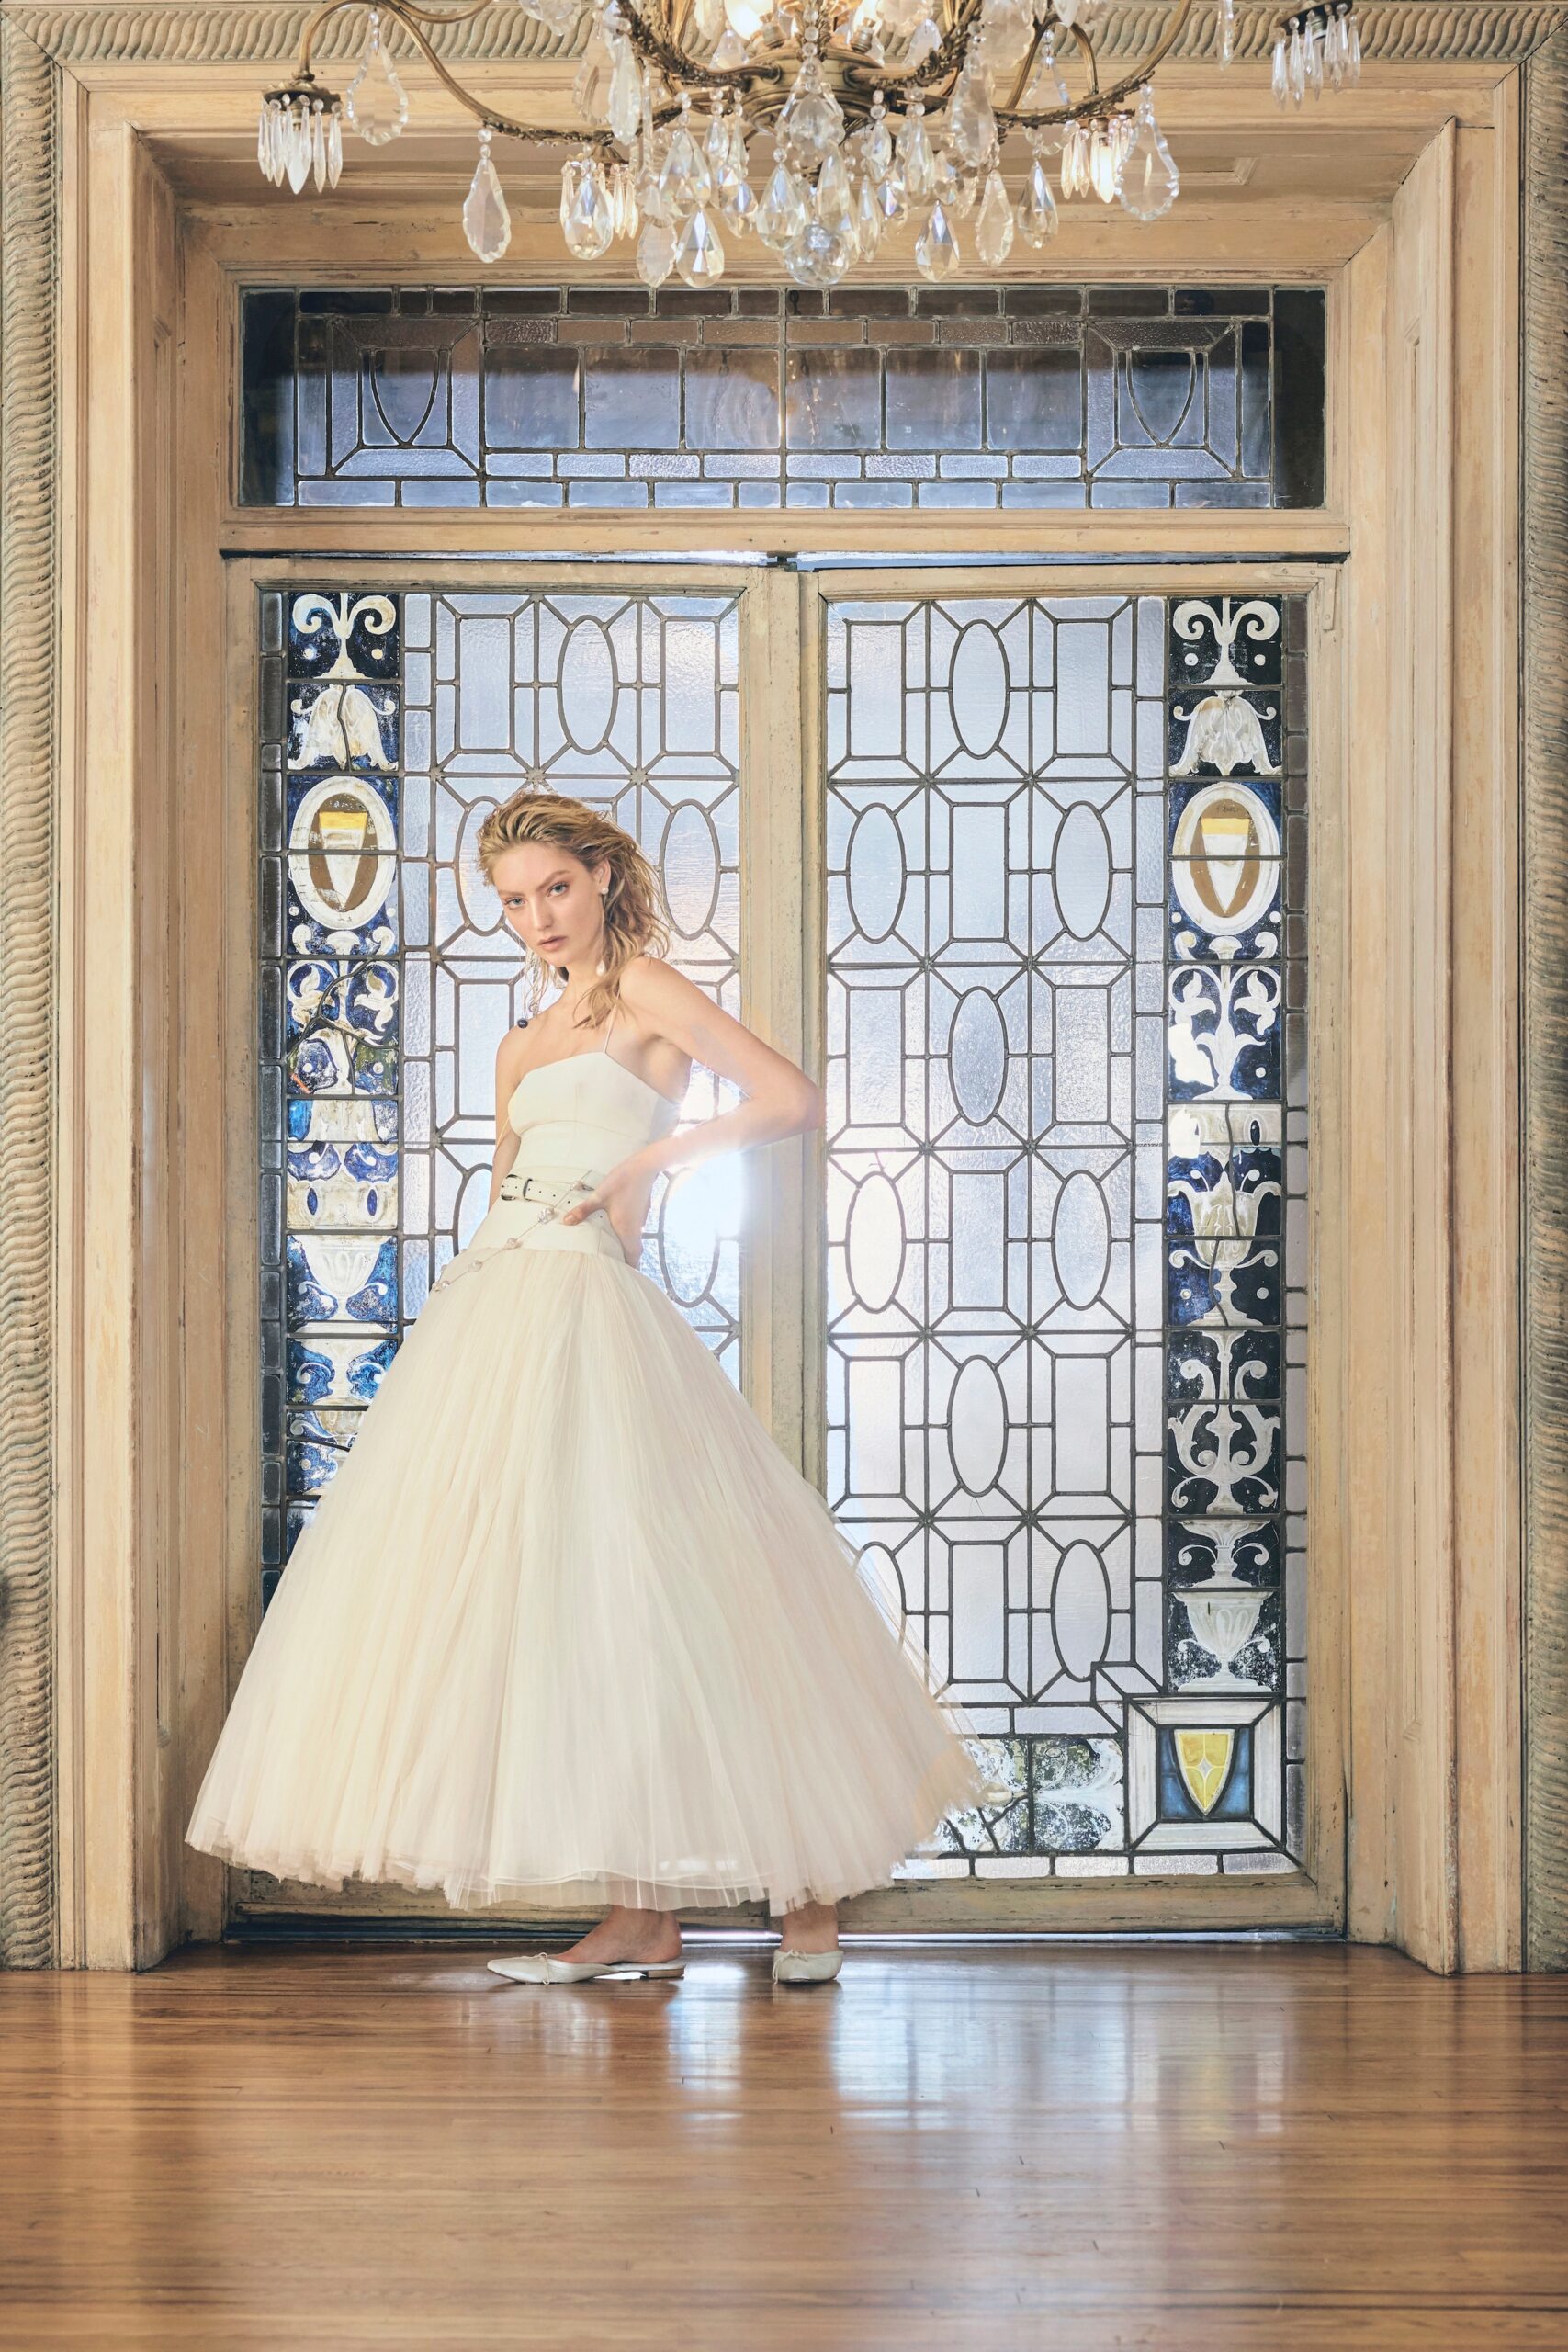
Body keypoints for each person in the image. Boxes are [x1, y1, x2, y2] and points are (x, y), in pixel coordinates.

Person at [187, 788, 990, 1986]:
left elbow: (788, 1098)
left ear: (605, 877)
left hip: (596, 1315)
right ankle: (640, 1916)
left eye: (555, 888)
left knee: (690, 1591)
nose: (536, 917)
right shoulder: (519, 1040)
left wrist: (658, 1156)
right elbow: (502, 1184)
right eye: (513, 901)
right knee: (576, 1611)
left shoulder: (647, 993)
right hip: (498, 1312)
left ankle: (807, 1889)